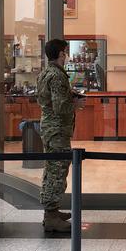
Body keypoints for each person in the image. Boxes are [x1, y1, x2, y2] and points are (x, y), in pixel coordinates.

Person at [37, 39, 82, 233]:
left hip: (51, 128)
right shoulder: (56, 76)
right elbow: (60, 106)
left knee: (53, 168)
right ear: (60, 54)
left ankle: (52, 210)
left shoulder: (46, 72)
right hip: (56, 129)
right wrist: (76, 104)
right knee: (57, 169)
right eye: (65, 51)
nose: (67, 54)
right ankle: (51, 216)